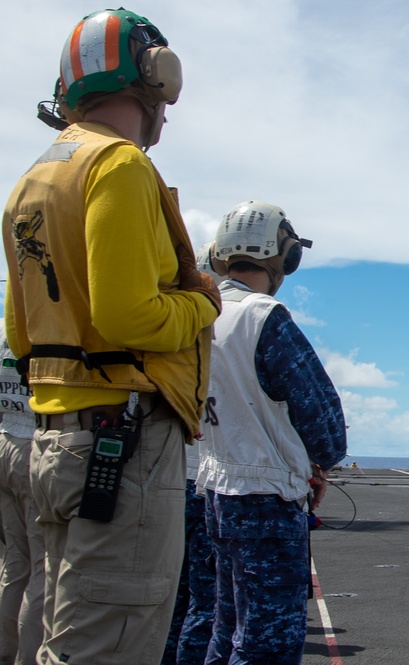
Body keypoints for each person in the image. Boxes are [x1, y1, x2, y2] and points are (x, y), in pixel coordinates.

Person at [1, 8, 220, 664]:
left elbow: (21, 336)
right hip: (122, 448)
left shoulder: (30, 183)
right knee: (108, 646)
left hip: (56, 442)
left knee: (64, 638)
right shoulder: (118, 165)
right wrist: (199, 305)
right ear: (150, 79)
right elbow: (130, 318)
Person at [197, 201, 347, 664]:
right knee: (268, 644)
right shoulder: (264, 315)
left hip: (216, 492)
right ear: (281, 254)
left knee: (224, 632)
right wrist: (320, 461)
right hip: (266, 502)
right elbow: (324, 422)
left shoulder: (199, 314)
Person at [161, 245, 223, 665]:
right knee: (207, 602)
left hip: (168, 483)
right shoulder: (223, 337)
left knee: (170, 600)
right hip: (202, 486)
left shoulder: (170, 335)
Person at [0, 328, 43, 665]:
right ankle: (28, 658)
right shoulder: (45, 324)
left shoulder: (4, 328)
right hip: (33, 441)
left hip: (4, 437)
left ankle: (5, 651)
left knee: (15, 563)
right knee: (42, 570)